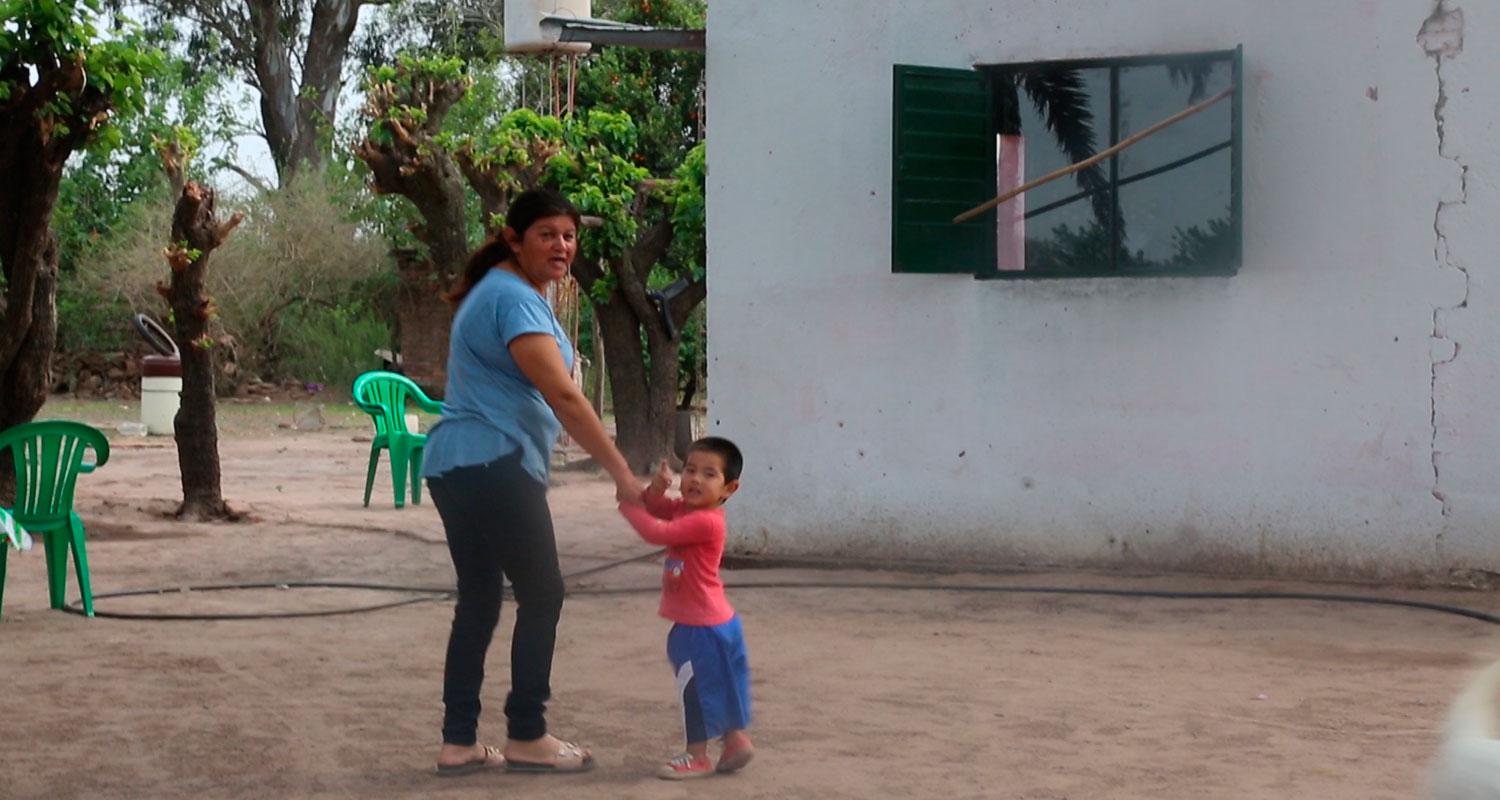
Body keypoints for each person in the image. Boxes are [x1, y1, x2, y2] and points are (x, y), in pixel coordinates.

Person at [423, 188, 644, 776]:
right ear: (513, 239)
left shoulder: (496, 292)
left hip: (456, 464)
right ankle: (527, 734)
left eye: (569, 235)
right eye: (547, 233)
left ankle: (459, 740)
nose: (562, 245)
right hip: (494, 462)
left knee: (479, 600)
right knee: (543, 594)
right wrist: (623, 475)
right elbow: (566, 397)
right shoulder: (513, 298)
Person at [618, 437, 755, 780]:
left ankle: (697, 755)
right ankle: (735, 740)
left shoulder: (706, 521)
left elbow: (655, 530)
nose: (694, 479)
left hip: (699, 627)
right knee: (723, 681)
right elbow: (657, 507)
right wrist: (654, 490)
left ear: (729, 488)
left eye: (709, 474)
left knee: (692, 686)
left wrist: (627, 504)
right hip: (719, 621)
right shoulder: (687, 509)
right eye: (690, 469)